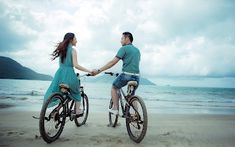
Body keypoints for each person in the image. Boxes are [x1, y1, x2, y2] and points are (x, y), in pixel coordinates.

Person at [44, 32, 92, 117]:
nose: (76, 41)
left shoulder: (62, 50)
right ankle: (77, 111)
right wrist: (88, 70)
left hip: (59, 75)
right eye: (75, 39)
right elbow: (76, 65)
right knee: (76, 92)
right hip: (69, 74)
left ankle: (57, 110)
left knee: (63, 93)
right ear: (71, 40)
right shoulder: (73, 50)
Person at [93, 32, 141, 115]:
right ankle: (136, 114)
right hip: (137, 77)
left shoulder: (124, 48)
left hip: (126, 75)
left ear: (127, 38)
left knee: (114, 87)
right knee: (131, 97)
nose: (120, 41)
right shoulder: (137, 50)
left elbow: (112, 63)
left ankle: (115, 108)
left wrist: (99, 70)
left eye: (122, 38)